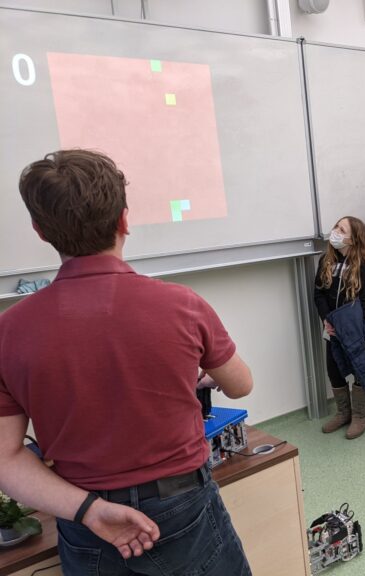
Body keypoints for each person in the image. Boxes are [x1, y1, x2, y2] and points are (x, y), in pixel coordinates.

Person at [0, 150, 253, 574]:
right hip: (182, 507)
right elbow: (241, 385)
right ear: (123, 220)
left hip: (87, 520)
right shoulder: (182, 305)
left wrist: (89, 510)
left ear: (40, 231)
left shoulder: (9, 331)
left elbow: (6, 459)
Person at [314, 216, 365, 439]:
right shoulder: (326, 261)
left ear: (353, 239)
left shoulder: (363, 266)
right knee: (334, 370)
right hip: (332, 330)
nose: (335, 232)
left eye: (342, 230)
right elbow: (319, 294)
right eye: (336, 227)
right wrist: (326, 320)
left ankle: (360, 416)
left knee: (358, 371)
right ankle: (343, 413)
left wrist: (346, 327)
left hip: (354, 331)